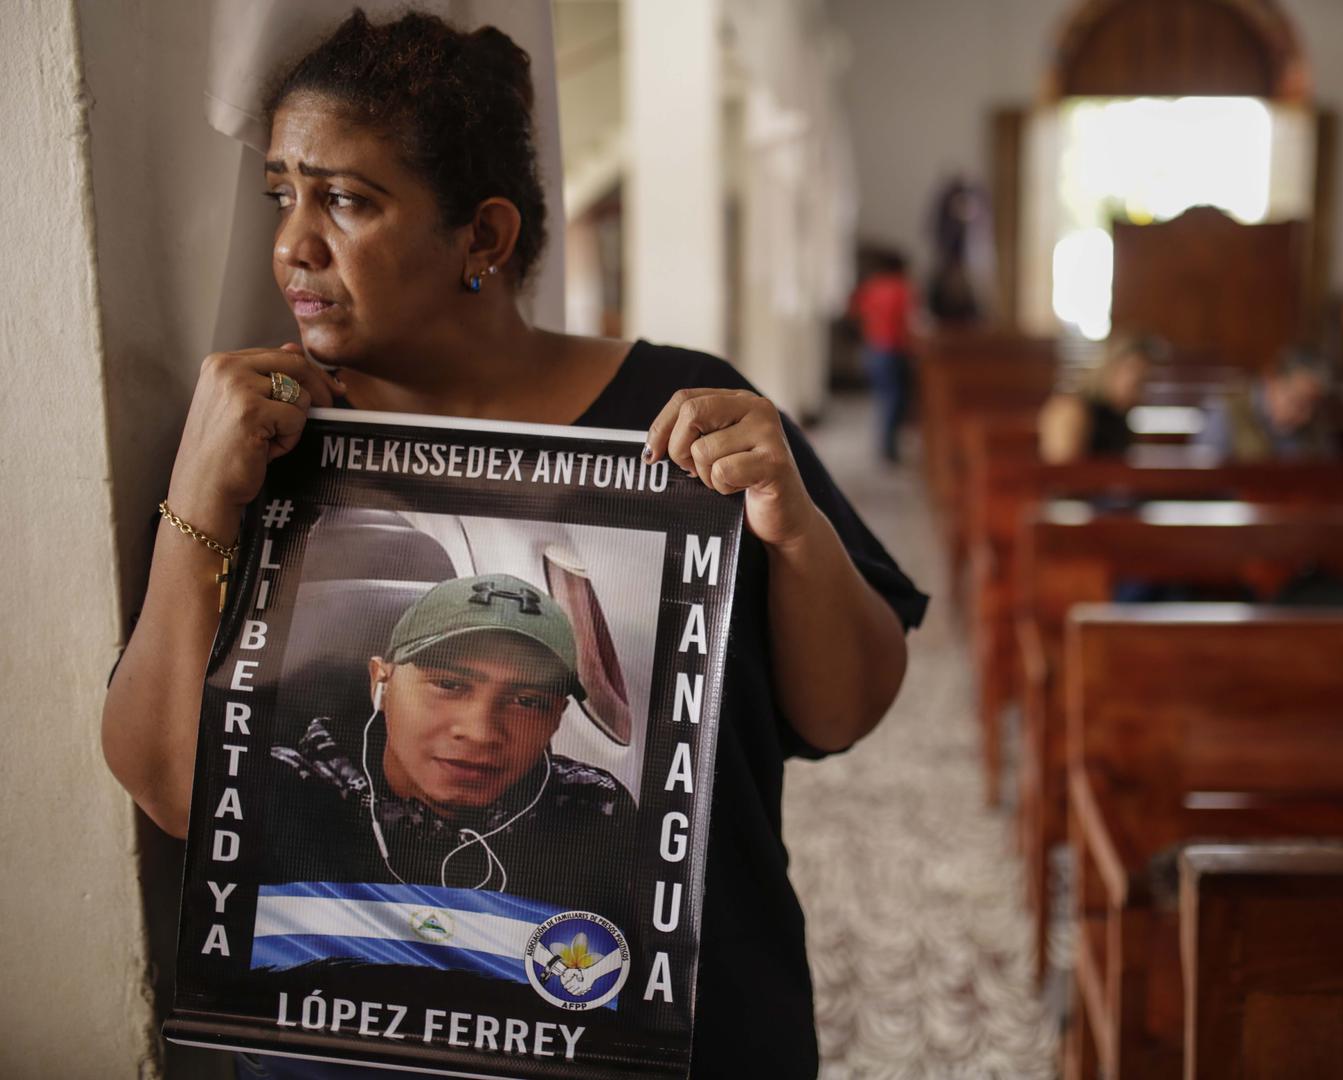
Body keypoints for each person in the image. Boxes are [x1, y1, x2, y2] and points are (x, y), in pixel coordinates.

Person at [99, 12, 926, 1079]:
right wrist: (198, 502)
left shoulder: (677, 417)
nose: (292, 245)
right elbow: (173, 790)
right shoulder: (263, 439)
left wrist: (794, 525)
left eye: (346, 199)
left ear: (484, 238)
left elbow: (843, 710)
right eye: (282, 194)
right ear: (385, 677)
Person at [266, 572, 633, 894]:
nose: (480, 732)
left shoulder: (595, 810)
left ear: (557, 717)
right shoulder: (277, 793)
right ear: (382, 683)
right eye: (447, 683)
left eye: (527, 700)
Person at [1035, 336, 1160, 463]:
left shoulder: (1119, 414)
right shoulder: (1071, 409)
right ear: (1112, 367)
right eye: (1137, 382)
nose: (1141, 394)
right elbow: (1061, 473)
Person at [1195, 352, 1335, 462]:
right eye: (1298, 403)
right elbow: (1205, 482)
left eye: (1313, 406)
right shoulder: (1225, 415)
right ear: (1271, 381)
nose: (1307, 416)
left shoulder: (1317, 428)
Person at [848, 249, 914, 463]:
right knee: (894, 399)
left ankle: (884, 445)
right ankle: (888, 447)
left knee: (883, 398)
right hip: (893, 349)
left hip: (873, 347)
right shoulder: (900, 288)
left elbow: (854, 311)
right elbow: (908, 320)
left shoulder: (872, 287)